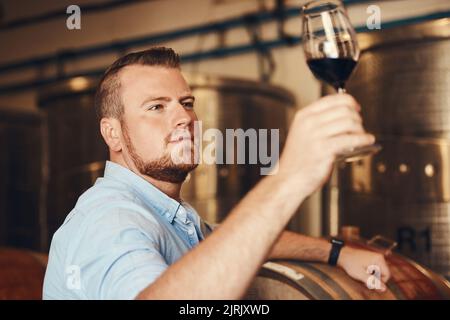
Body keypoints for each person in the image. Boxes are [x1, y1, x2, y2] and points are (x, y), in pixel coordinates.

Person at [43, 47, 390, 300]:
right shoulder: (111, 221)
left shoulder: (166, 214)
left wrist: (337, 253)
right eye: (156, 107)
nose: (184, 118)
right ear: (112, 133)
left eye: (187, 103)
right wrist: (288, 179)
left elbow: (235, 239)